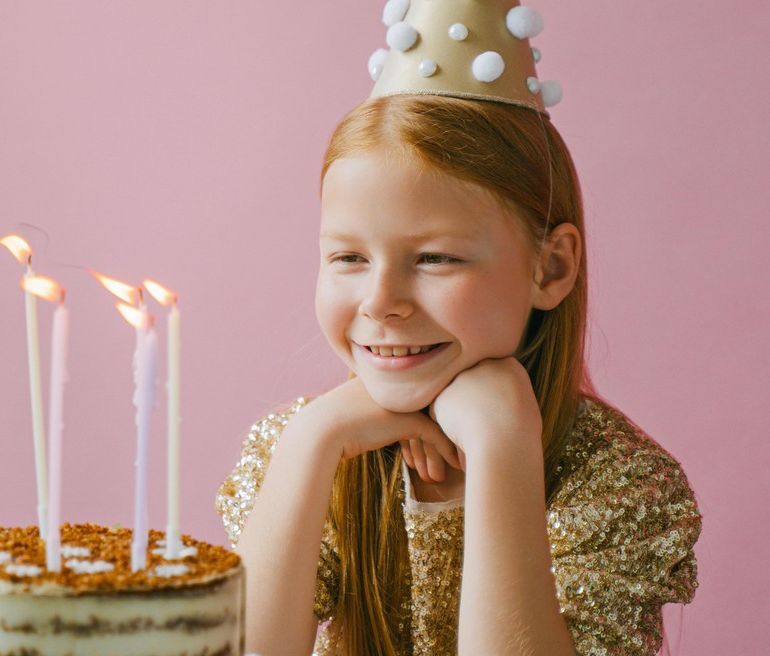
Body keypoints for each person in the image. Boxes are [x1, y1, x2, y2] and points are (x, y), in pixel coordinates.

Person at [216, 2, 701, 654]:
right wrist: (312, 441)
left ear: (551, 267)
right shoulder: (298, 448)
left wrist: (504, 448)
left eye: (435, 258)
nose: (381, 302)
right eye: (349, 258)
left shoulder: (620, 484)